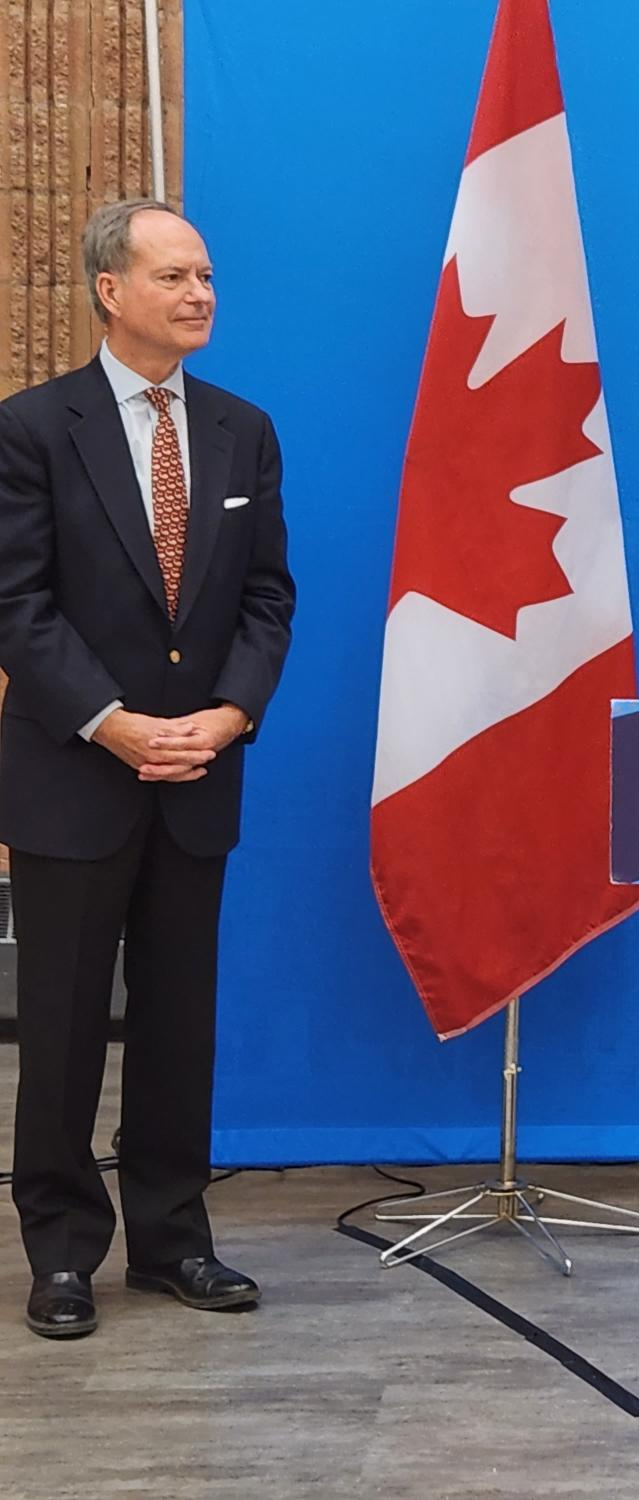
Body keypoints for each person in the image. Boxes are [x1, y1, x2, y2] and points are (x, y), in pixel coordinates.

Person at [0, 200, 295, 1339]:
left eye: (207, 275)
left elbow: (267, 597)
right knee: (67, 1025)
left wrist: (227, 716)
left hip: (198, 777)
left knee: (180, 1025)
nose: (199, 294)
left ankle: (175, 1241)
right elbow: (17, 610)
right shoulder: (31, 428)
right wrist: (111, 722)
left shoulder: (242, 430)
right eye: (173, 275)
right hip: (76, 775)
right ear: (107, 291)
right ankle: (65, 1254)